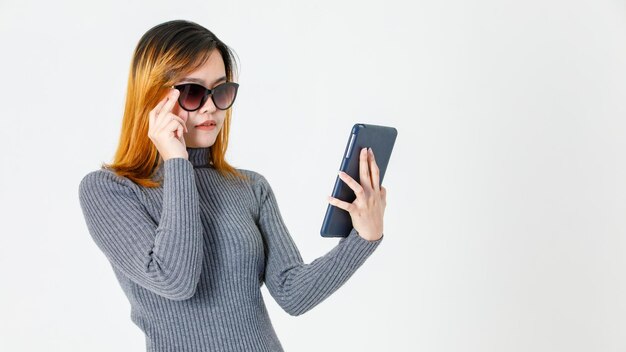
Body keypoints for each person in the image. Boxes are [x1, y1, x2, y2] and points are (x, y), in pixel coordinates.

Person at [77, 19, 387, 352]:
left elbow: (292, 293)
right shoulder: (111, 190)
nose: (211, 106)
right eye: (193, 91)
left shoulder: (250, 187)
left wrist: (364, 237)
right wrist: (177, 162)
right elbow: (174, 279)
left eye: (221, 90)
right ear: (153, 97)